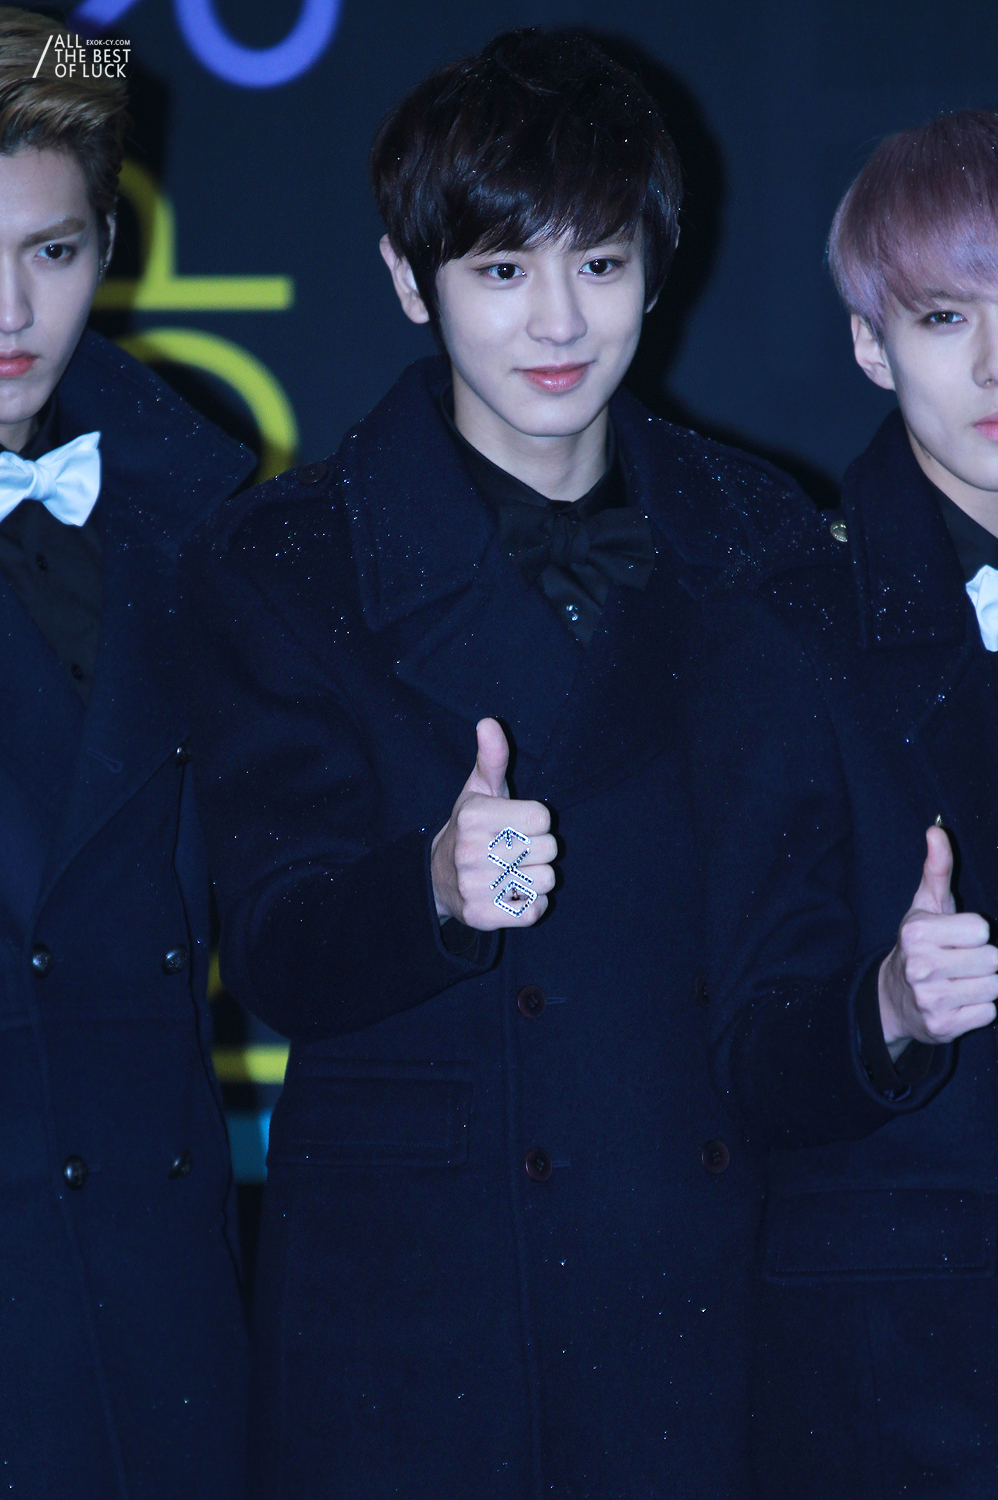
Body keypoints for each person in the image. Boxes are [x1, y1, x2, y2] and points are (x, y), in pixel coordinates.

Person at [183, 29, 812, 1499]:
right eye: (501, 269)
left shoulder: (764, 536)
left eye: (599, 264)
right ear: (412, 282)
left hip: (700, 1271)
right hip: (425, 1297)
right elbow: (270, 944)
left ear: (657, 269)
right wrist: (431, 888)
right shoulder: (289, 560)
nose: (558, 321)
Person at [684, 108, 998, 1498]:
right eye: (945, 317)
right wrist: (892, 1006)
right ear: (873, 346)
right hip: (914, 1366)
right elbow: (749, 1051)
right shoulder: (790, 626)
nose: (995, 364)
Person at [0, 9, 251, 1495]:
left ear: (108, 245)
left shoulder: (199, 510)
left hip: (161, 1266)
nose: (11, 308)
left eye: (52, 250)